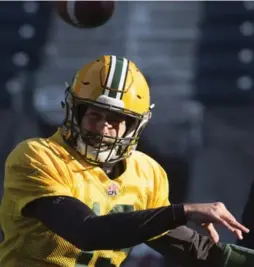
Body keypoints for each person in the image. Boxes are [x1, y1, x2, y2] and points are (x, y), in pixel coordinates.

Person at [0, 55, 253, 267]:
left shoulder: (145, 173)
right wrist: (183, 211)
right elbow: (86, 232)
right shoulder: (38, 156)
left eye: (115, 120)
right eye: (94, 115)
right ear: (74, 112)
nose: (102, 128)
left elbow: (187, 246)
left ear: (135, 125)